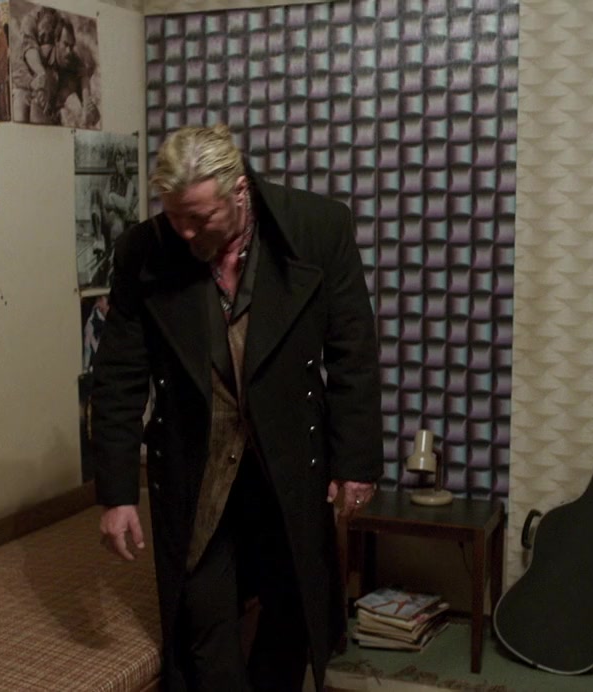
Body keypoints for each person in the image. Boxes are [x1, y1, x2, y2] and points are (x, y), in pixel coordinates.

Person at [92, 124, 383, 691]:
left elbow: (352, 353)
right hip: (196, 470)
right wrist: (118, 493)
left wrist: (356, 464)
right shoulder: (144, 252)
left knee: (289, 613)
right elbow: (118, 378)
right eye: (175, 216)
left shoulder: (317, 228)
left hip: (288, 462)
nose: (185, 231)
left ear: (240, 191)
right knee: (204, 625)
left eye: (200, 218)